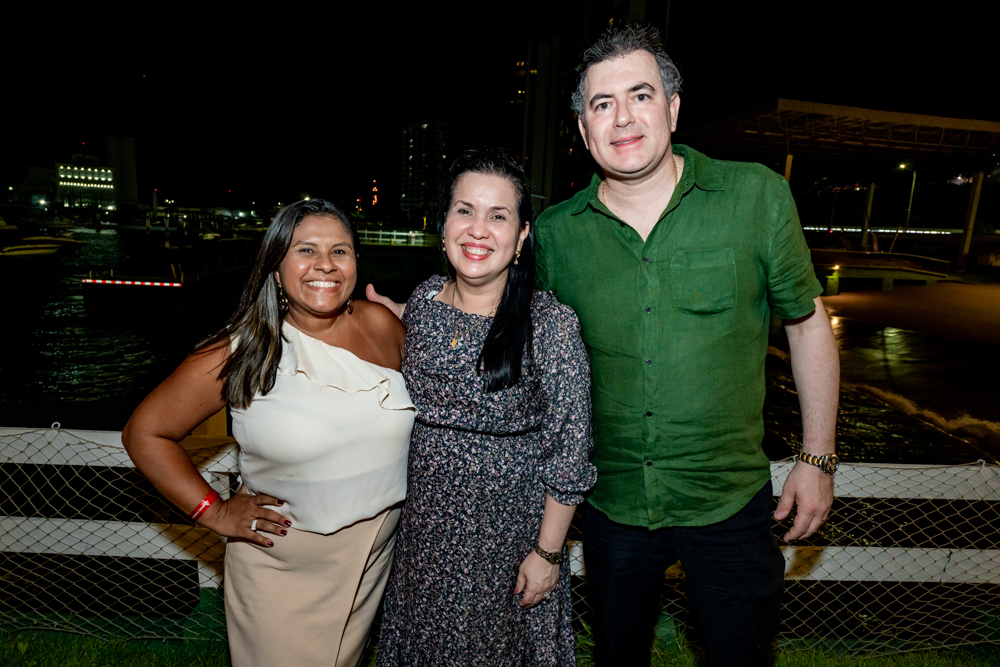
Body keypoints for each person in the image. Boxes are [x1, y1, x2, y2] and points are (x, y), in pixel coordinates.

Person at [369, 25, 839, 667]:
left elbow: (807, 323)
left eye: (640, 95)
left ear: (672, 107)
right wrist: (398, 321)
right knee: (619, 657)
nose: (622, 117)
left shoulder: (756, 196)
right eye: (601, 104)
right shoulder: (558, 234)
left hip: (726, 499)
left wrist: (817, 459)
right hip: (610, 509)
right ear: (583, 130)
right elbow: (501, 313)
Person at [123, 199, 415, 667]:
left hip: (372, 557)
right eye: (306, 250)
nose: (325, 264)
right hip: (282, 566)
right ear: (276, 265)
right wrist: (213, 512)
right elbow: (145, 433)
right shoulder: (243, 350)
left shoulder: (382, 325)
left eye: (340, 251)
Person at [374, 147, 597, 666]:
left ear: (521, 237)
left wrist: (546, 554)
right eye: (464, 211)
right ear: (443, 224)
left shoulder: (550, 325)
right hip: (421, 541)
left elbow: (570, 453)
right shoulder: (423, 304)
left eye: (498, 216)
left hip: (507, 546)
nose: (478, 229)